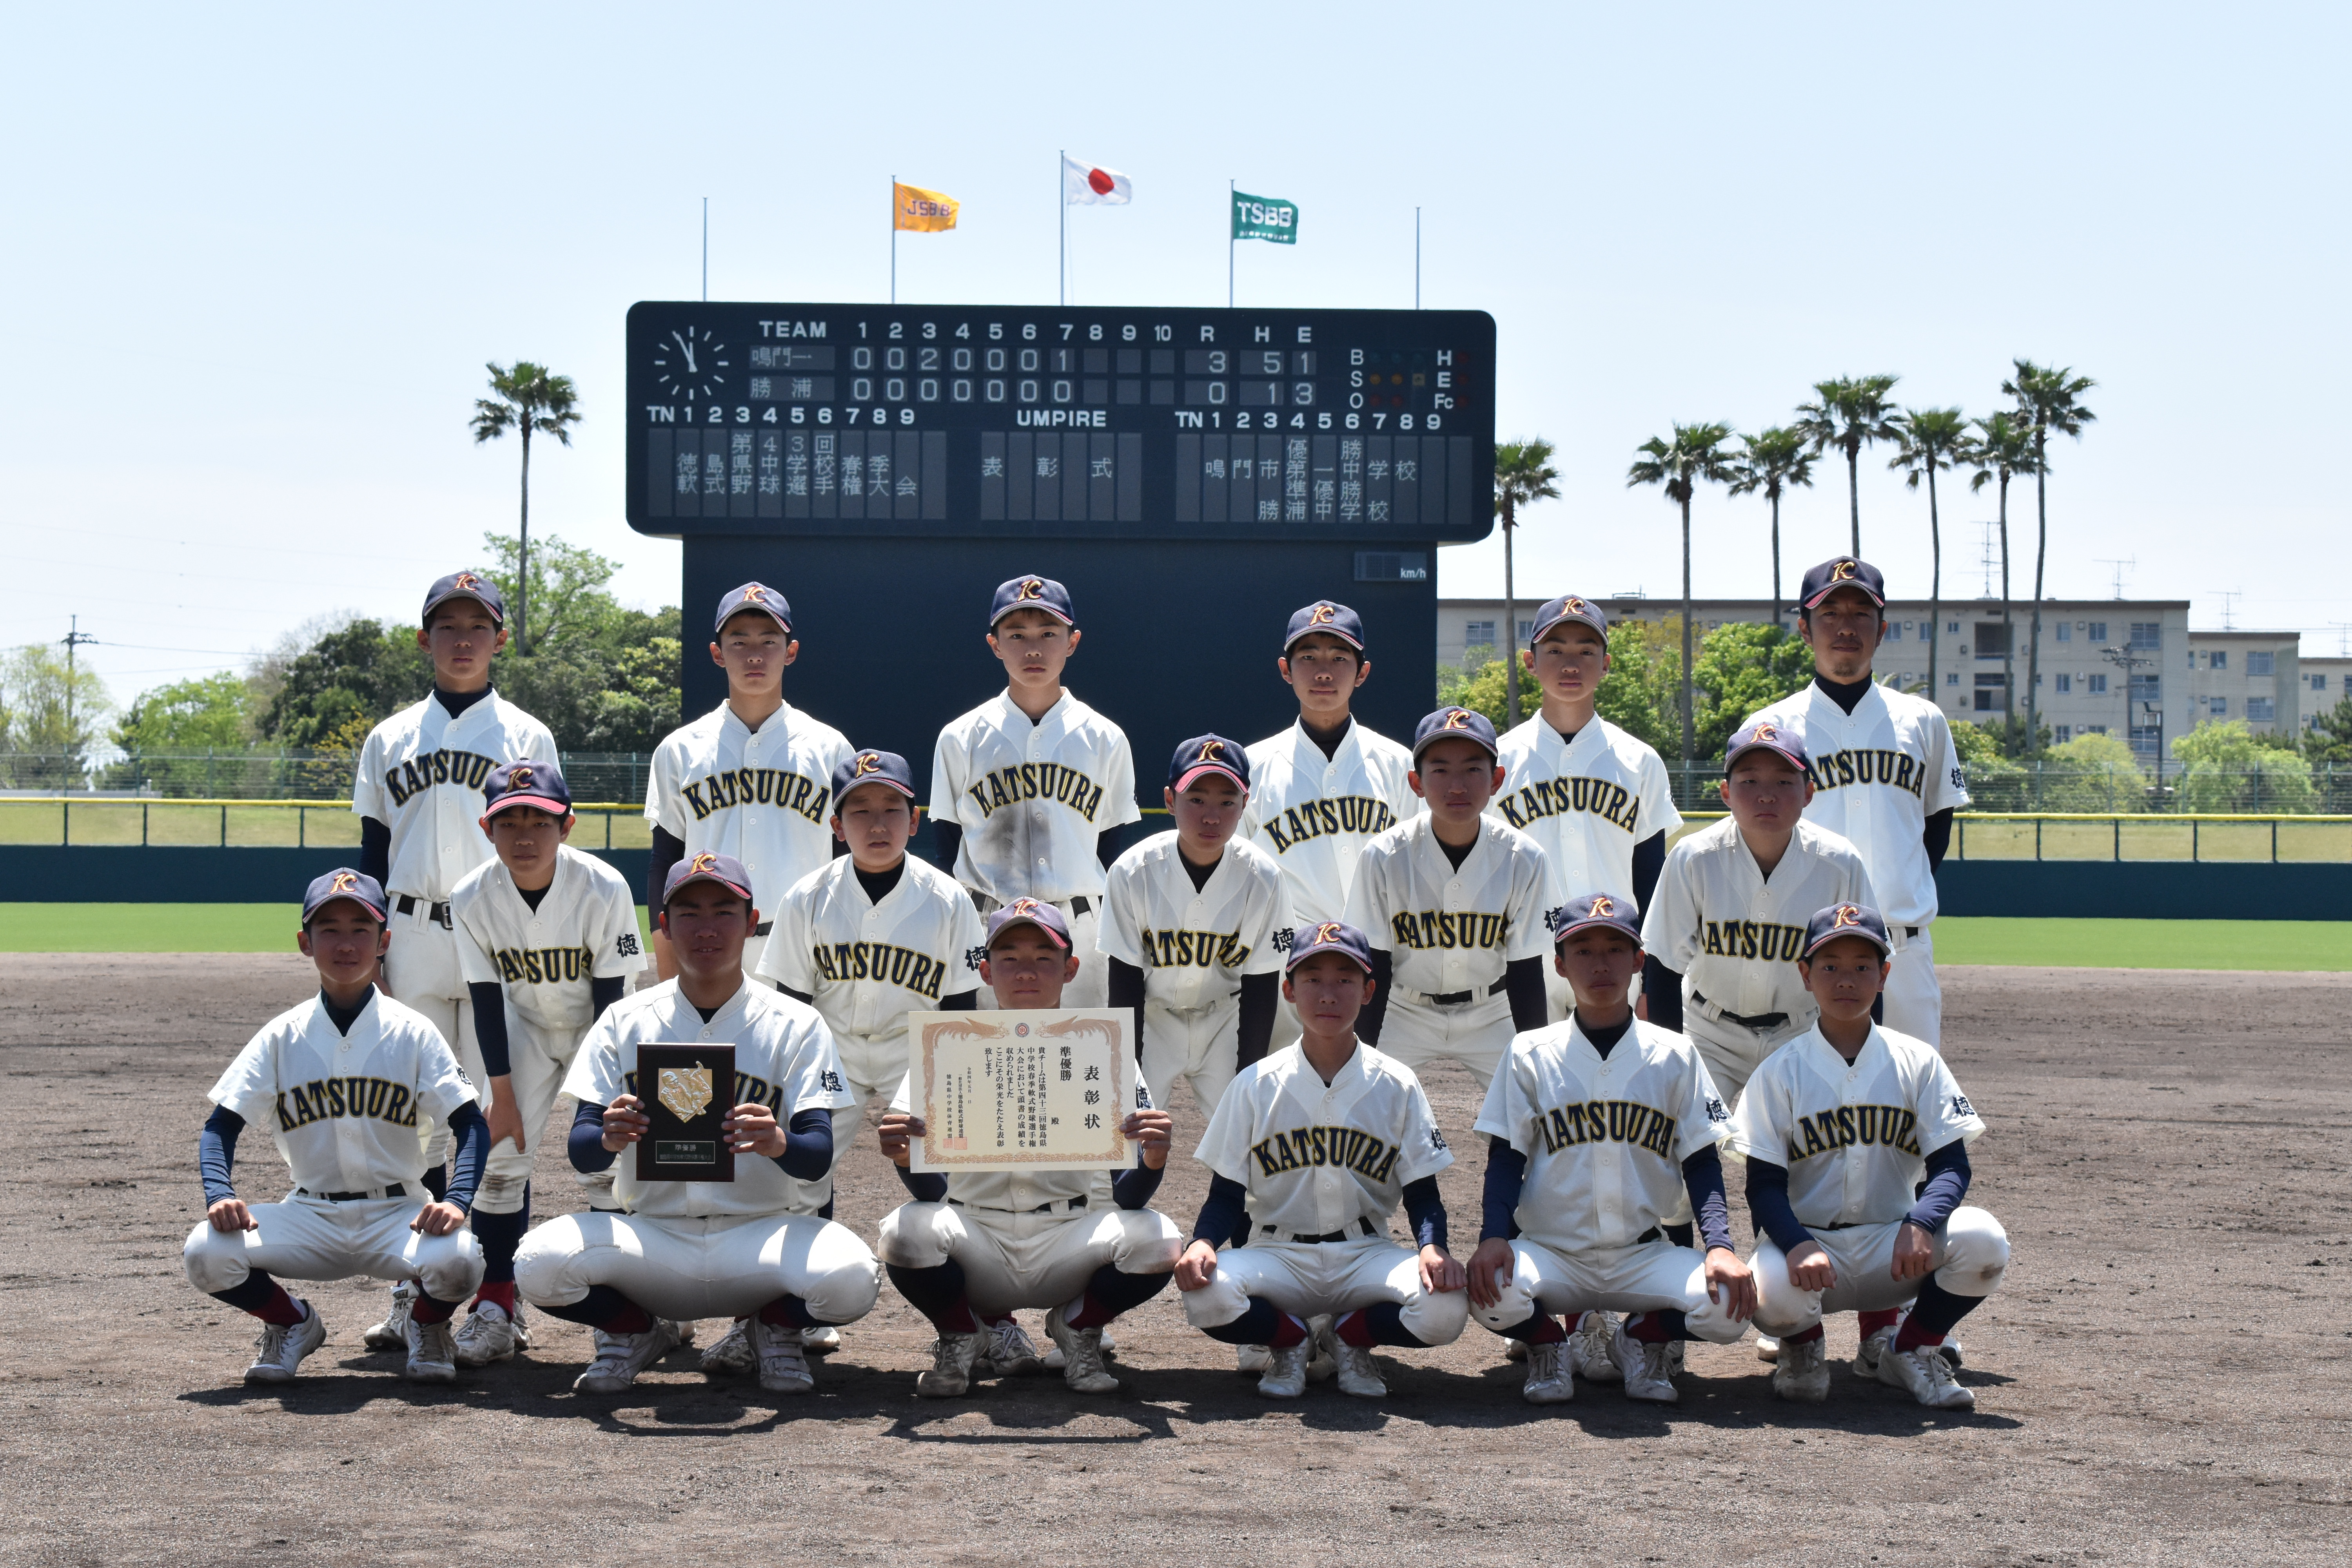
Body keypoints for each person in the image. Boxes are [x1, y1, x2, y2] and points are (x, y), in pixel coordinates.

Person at [514, 853, 879, 1396]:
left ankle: (773, 1328)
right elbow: (581, 1150)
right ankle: (637, 1331)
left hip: (760, 1236)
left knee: (854, 1279)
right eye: (688, 914)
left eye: (724, 912)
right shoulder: (624, 1018)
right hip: (653, 1239)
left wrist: (780, 1142)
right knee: (537, 1264)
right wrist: (609, 1136)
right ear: (663, 927)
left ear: (752, 923)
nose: (706, 929)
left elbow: (818, 1155)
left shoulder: (797, 1023)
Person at [352, 571, 556, 1352]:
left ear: (500, 638)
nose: (464, 637)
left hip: (501, 936)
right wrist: (369, 949)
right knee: (419, 1123)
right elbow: (372, 851)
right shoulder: (389, 737)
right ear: (424, 638)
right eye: (449, 625)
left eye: (479, 624)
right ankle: (420, 1282)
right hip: (413, 937)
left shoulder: (528, 736)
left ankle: (499, 1299)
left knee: (501, 1122)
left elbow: (546, 849)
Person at [181, 870, 488, 1385]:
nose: (346, 943)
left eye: (360, 930)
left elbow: (472, 1124)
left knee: (460, 1260)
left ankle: (427, 1325)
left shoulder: (413, 1032)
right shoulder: (282, 1035)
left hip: (398, 1214)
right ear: (305, 943)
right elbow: (220, 1127)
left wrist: (456, 1201)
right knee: (205, 1252)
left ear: (384, 942)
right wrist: (219, 1195)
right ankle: (292, 1324)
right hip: (309, 1214)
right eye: (329, 929)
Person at [875, 899, 1182, 1398]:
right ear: (985, 970)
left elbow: (1128, 1199)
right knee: (906, 1230)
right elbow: (932, 1190)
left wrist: (1154, 1161)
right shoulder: (947, 1046)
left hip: (1068, 1240)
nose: (1026, 972)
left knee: (1160, 1239)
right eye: (1009, 958)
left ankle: (1079, 1328)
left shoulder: (1103, 1048)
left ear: (1070, 969)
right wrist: (907, 1160)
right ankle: (961, 1334)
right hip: (978, 1240)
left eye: (1044, 958)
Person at [1465, 895, 1757, 1406]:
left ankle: (1639, 1339)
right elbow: (1507, 1157)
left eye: (1615, 950)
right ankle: (1547, 1343)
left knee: (1732, 1307)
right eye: (1583, 951)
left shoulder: (1675, 1054)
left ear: (1638, 961)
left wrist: (1720, 1247)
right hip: (1552, 1252)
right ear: (1560, 965)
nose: (1600, 964)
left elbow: (1702, 1160)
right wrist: (1494, 1237)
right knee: (1486, 1291)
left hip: (1643, 1253)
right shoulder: (1530, 1053)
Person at [1728, 902, 2008, 1410]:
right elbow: (1763, 1186)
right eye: (1830, 966)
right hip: (1812, 1252)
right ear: (1806, 975)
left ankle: (1912, 1348)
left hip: (1895, 1250)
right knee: (1768, 1295)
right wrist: (1794, 1244)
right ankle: (1803, 1346)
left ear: (1884, 975)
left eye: (1862, 966)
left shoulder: (1918, 1063)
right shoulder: (1779, 1072)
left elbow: (1951, 1167)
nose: (1846, 980)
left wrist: (1924, 1222)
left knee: (1984, 1240)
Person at [753, 748, 985, 1361]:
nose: (877, 825)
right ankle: (793, 1310)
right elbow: (792, 1008)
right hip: (829, 1046)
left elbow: (964, 1013)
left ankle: (982, 1318)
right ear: (836, 825)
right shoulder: (808, 897)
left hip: (920, 1050)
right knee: (799, 1179)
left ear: (916, 820)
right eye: (860, 812)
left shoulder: (948, 898)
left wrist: (952, 1100)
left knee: (951, 1181)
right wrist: (792, 1094)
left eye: (892, 810)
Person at [1174, 920, 1470, 1400]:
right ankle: (1290, 1340)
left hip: (1365, 1254)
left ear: (1369, 990)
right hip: (1277, 1255)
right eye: (1313, 980)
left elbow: (1422, 1191)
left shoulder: (1397, 1082)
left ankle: (1350, 1336)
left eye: (1345, 980)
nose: (1328, 994)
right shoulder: (1254, 1084)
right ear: (1289, 990)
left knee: (1446, 1310)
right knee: (1205, 1293)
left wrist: (1432, 1246)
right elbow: (1226, 1192)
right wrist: (1203, 1241)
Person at [443, 761, 645, 1367]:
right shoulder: (471, 895)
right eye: (510, 822)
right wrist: (500, 1092)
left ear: (568, 826)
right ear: (487, 828)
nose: (525, 836)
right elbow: (485, 1000)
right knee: (500, 1161)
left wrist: (600, 1096)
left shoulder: (604, 886)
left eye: (540, 820)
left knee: (612, 1165)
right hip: (522, 1027)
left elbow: (614, 1001)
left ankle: (635, 1308)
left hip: (601, 1028)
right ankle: (497, 1307)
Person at [1742, 557, 1971, 1045]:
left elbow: (1937, 826)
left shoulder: (1923, 720)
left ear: (1882, 629)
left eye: (1860, 614)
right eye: (1830, 614)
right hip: (1801, 947)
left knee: (1906, 1104)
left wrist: (1898, 889)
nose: (1846, 627)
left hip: (1900, 950)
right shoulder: (1771, 727)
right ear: (1805, 629)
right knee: (1804, 1107)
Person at [928, 574, 1141, 1009]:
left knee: (1082, 1066)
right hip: (989, 924)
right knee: (989, 1065)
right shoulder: (960, 737)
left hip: (1078, 926)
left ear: (1073, 642)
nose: (1033, 649)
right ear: (994, 644)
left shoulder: (1105, 738)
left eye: (1049, 634)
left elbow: (1110, 849)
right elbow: (949, 847)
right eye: (1017, 635)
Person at [1639, 720, 1875, 1109]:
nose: (1767, 795)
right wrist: (1674, 1060)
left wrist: (1859, 1058)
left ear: (1809, 793)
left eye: (1784, 782)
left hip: (1800, 1031)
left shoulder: (1840, 863)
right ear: (1726, 793)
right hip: (1707, 1032)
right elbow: (1664, 967)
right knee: (1681, 1140)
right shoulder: (1694, 857)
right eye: (1749, 781)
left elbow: (1867, 967)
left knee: (1810, 1154)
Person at [644, 581, 853, 984]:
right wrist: (669, 968)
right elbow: (663, 862)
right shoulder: (679, 750)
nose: (755, 654)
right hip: (707, 950)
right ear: (717, 653)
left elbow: (846, 865)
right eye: (738, 642)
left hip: (806, 949)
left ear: (791, 652)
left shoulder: (830, 748)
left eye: (770, 640)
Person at [1490, 595, 1683, 1021]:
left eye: (1586, 651)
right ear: (1530, 661)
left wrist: (1652, 979)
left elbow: (1651, 877)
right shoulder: (1498, 760)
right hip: (1524, 962)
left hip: (1613, 959)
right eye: (1555, 650)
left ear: (1607, 662)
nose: (1571, 663)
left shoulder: (1640, 760)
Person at [1343, 707, 1552, 1094]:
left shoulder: (1525, 857)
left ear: (1497, 780)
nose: (1457, 785)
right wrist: (1362, 1060)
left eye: (1473, 769)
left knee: (1537, 1112)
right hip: (1404, 1009)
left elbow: (1526, 972)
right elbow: (1375, 966)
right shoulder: (1384, 856)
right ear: (1416, 783)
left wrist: (1533, 1061)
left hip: (1492, 1009)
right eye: (1440, 770)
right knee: (1361, 1104)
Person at [1239, 601, 1420, 1046]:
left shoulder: (1399, 764)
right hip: (1288, 965)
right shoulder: (1254, 766)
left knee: (1377, 1098)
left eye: (1340, 658)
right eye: (1309, 657)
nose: (1324, 671)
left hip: (1381, 963)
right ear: (1286, 669)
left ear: (1362, 672)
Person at [1100, 734, 1287, 1120]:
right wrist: (1127, 1075)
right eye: (1197, 799)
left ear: (1245, 804)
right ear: (1170, 800)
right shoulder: (1133, 872)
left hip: (1227, 1017)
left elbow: (1261, 985)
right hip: (1152, 1018)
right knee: (1125, 1133)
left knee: (1248, 1135)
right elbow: (1125, 980)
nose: (1212, 816)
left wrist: (1247, 1078)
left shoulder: (1264, 877)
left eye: (1227, 801)